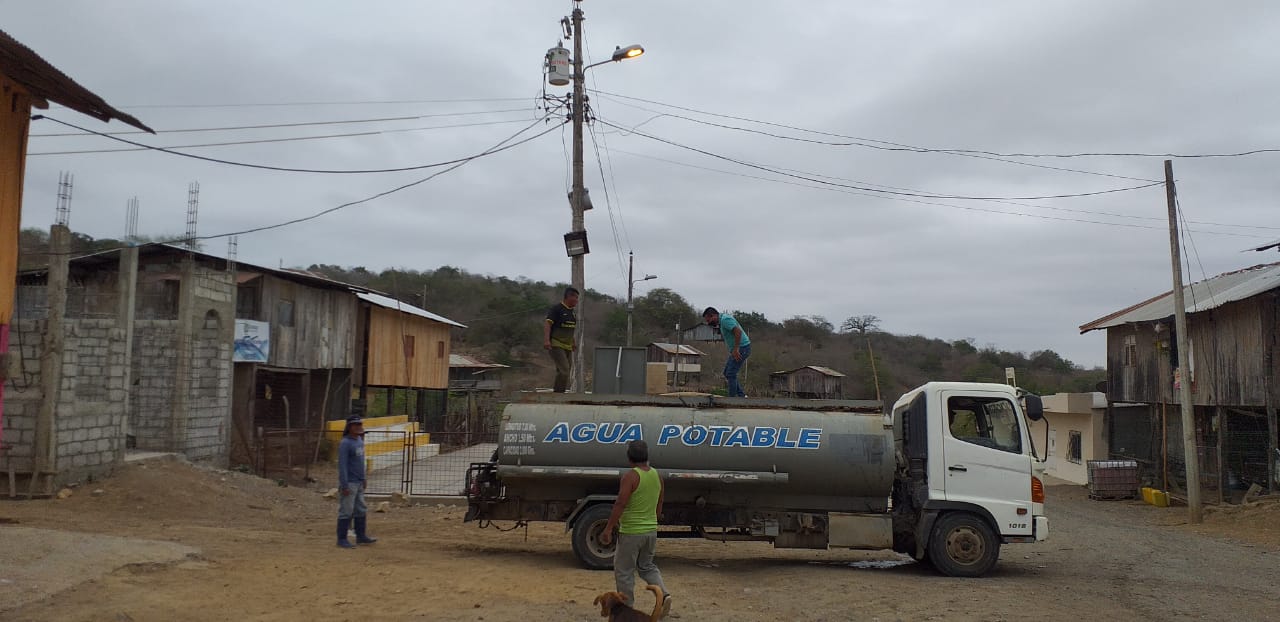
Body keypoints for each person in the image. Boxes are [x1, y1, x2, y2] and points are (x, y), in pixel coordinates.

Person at [601, 440, 672, 617]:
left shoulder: (631, 477)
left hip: (632, 532)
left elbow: (621, 503)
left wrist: (608, 528)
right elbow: (660, 501)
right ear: (646, 456)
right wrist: (654, 519)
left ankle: (626, 609)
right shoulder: (657, 476)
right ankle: (664, 595)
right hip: (651, 531)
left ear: (629, 458)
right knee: (647, 566)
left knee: (624, 571)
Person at [336, 416, 377, 549]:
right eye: (355, 425)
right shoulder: (345, 443)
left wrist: (364, 478)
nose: (359, 427)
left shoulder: (359, 440)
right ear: (349, 427)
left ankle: (361, 535)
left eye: (360, 424)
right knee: (346, 510)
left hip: (359, 481)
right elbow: (342, 465)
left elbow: (361, 461)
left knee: (361, 509)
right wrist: (344, 484)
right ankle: (342, 539)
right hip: (350, 482)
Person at [703, 307, 751, 398]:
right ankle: (742, 396)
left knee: (731, 374)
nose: (708, 323)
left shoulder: (725, 320)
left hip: (742, 348)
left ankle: (732, 399)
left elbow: (738, 332)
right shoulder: (722, 321)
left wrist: (736, 349)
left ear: (713, 316)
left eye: (708, 320)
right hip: (738, 348)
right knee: (727, 373)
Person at [544, 287, 580, 393]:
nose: (577, 300)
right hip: (556, 343)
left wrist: (573, 342)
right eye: (575, 297)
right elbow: (548, 324)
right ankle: (558, 394)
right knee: (564, 370)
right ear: (568, 297)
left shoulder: (572, 313)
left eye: (577, 298)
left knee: (565, 370)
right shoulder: (557, 309)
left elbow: (570, 328)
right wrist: (546, 340)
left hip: (567, 345)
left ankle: (559, 391)